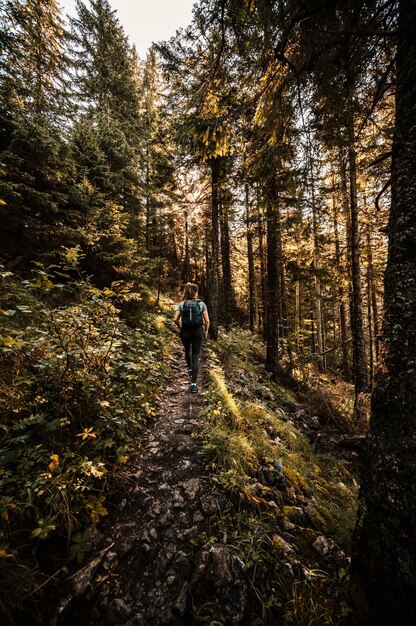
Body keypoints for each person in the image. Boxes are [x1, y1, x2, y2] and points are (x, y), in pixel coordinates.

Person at [173, 282, 209, 393]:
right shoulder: (201, 304)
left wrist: (181, 328)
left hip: (186, 332)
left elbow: (175, 319)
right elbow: (207, 321)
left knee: (187, 350)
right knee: (196, 356)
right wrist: (206, 331)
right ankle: (193, 385)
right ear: (195, 293)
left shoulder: (182, 304)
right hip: (198, 332)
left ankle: (190, 369)